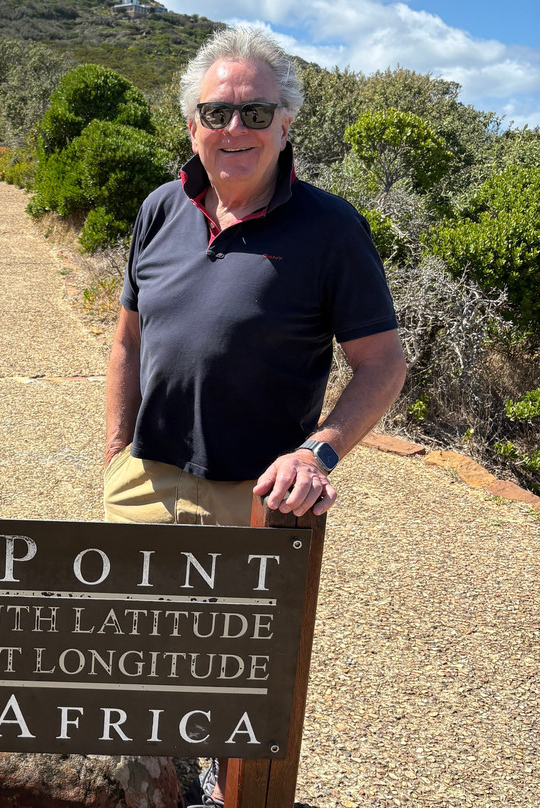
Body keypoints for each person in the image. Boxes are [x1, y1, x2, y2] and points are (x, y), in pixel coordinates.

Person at [102, 27, 407, 807]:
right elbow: (128, 340)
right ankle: (150, 788)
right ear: (192, 124)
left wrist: (318, 453)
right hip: (146, 479)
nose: (234, 128)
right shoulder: (159, 209)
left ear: (286, 123)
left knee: (236, 680)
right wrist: (116, 450)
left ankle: (219, 793)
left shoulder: (331, 229)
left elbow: (382, 364)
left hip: (258, 501)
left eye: (255, 112)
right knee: (134, 662)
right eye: (217, 112)